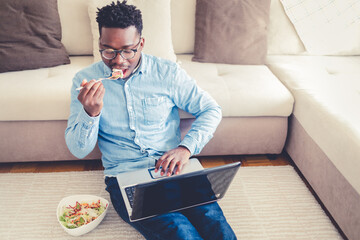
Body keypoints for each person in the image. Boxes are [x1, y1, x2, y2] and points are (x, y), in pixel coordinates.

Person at [65, 1, 236, 239]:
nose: (118, 61)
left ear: (141, 43)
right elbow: (78, 150)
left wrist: (186, 148)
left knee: (216, 227)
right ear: (100, 45)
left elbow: (211, 109)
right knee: (181, 233)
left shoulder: (168, 73)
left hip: (176, 170)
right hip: (126, 178)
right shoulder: (84, 81)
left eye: (127, 50)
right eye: (108, 51)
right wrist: (90, 113)